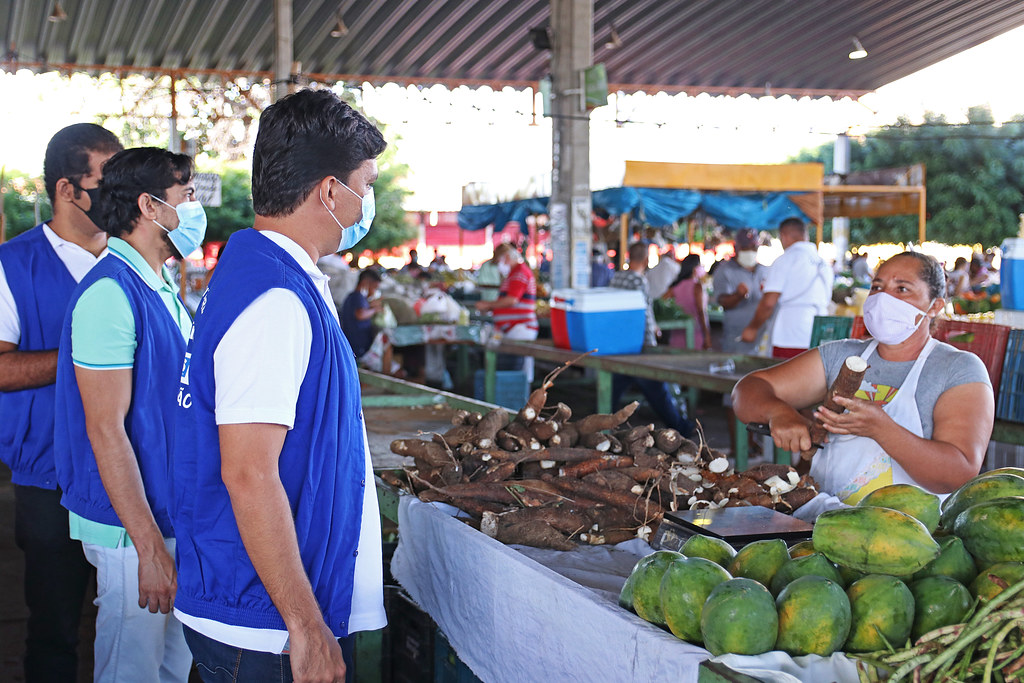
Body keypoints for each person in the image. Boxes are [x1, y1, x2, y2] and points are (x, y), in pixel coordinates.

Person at [170, 88, 387, 683]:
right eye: (364, 186)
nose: (367, 202)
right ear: (328, 191)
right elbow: (248, 471)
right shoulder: (273, 299)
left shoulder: (271, 277)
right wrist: (305, 623)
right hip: (262, 628)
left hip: (263, 615)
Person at [53, 147, 199, 682]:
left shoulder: (159, 286)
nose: (194, 207)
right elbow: (105, 429)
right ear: (150, 205)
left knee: (170, 666)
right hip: (129, 528)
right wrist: (148, 547)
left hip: (167, 510)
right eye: (187, 195)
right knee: (131, 669)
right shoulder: (110, 294)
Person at [732, 251, 993, 517]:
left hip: (910, 537)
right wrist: (779, 412)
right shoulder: (841, 355)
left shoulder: (958, 369)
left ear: (935, 306)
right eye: (877, 287)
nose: (884, 297)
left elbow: (959, 472)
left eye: (902, 289)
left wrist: (881, 429)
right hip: (821, 525)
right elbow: (747, 390)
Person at [0, 123, 122, 682]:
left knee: (135, 621)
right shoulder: (12, 265)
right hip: (47, 476)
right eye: (106, 182)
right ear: (67, 190)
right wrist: (86, 360)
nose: (118, 197)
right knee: (54, 628)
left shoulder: (133, 261)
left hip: (131, 473)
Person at [610, 242, 695, 437]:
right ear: (647, 260)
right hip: (639, 342)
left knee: (617, 384)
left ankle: (599, 421)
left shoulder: (617, 277)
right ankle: (680, 426)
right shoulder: (640, 281)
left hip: (621, 341)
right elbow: (644, 312)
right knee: (655, 387)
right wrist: (651, 337)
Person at [741, 217, 832, 358]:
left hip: (792, 334)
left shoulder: (785, 260)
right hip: (821, 332)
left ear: (783, 236)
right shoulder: (823, 263)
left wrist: (752, 328)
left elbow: (768, 303)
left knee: (787, 376)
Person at [475, 242, 538, 381]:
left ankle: (523, 398)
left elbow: (512, 300)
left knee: (520, 371)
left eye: (499, 261)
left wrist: (488, 305)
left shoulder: (520, 273)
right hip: (511, 328)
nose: (499, 266)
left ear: (507, 257)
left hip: (520, 327)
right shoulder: (513, 274)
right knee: (516, 369)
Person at [713, 228, 768, 355]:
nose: (750, 251)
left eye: (753, 247)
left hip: (764, 335)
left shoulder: (765, 270)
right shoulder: (724, 271)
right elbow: (723, 302)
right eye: (745, 248)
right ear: (736, 248)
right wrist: (738, 295)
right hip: (737, 336)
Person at [666, 253, 711, 350]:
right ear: (695, 268)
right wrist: (706, 335)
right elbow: (701, 311)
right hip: (695, 334)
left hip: (676, 335)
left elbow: (661, 302)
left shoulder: (675, 286)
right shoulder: (697, 287)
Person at [341, 268, 384, 358]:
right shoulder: (356, 297)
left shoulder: (357, 297)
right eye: (375, 287)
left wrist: (371, 306)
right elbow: (360, 314)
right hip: (358, 348)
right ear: (365, 282)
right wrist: (375, 309)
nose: (375, 291)